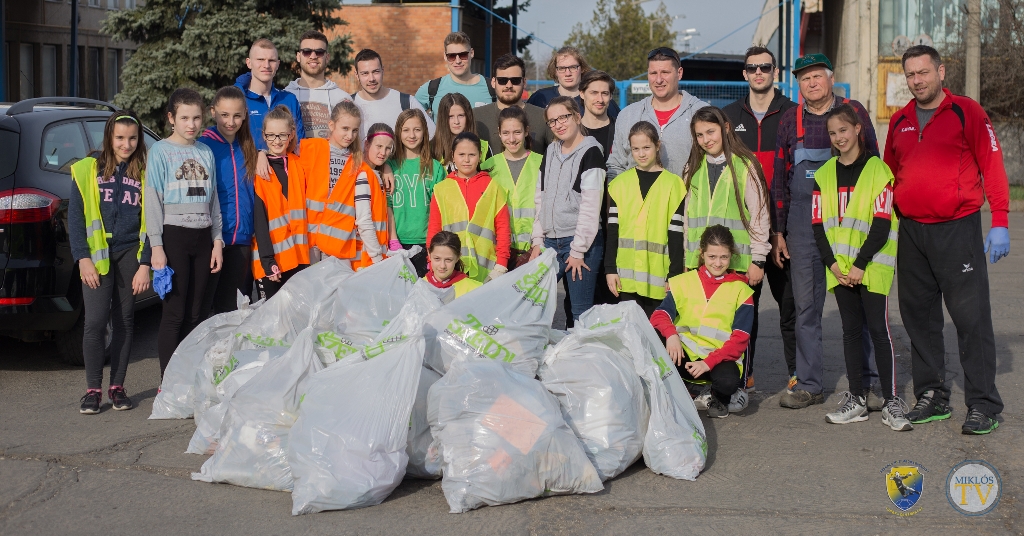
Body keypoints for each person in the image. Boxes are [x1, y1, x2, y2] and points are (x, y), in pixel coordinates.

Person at [884, 45, 1010, 435]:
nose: (917, 81)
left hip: (958, 229)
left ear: (940, 72)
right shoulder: (900, 120)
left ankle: (983, 405)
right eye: (910, 75)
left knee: (971, 320)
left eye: (923, 72)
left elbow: (992, 165)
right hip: (912, 232)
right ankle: (933, 396)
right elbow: (889, 173)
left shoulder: (966, 112)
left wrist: (1001, 220)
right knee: (919, 319)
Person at [773, 53, 881, 409]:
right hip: (803, 221)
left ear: (830, 78)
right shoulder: (790, 119)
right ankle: (809, 383)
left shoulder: (856, 112)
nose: (812, 84)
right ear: (798, 85)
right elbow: (780, 178)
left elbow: (875, 165)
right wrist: (779, 231)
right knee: (806, 306)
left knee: (859, 303)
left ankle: (868, 384)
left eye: (817, 76)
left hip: (850, 216)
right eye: (804, 79)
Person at [813, 104, 911, 431]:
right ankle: (856, 398)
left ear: (857, 129)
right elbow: (818, 225)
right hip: (839, 270)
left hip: (870, 267)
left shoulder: (877, 170)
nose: (839, 137)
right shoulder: (824, 174)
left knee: (879, 332)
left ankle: (892, 400)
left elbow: (882, 226)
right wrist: (834, 265)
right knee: (851, 331)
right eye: (832, 132)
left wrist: (859, 265)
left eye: (843, 130)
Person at [682, 106, 770, 408]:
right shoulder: (692, 169)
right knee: (705, 325)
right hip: (701, 264)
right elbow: (687, 221)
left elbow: (759, 216)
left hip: (739, 265)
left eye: (710, 131)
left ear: (726, 128)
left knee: (741, 328)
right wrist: (686, 262)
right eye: (700, 135)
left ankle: (740, 383)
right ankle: (707, 383)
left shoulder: (746, 165)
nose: (706, 139)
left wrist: (759, 259)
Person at [722, 45, 797, 392]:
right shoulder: (728, 117)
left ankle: (798, 374)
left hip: (783, 227)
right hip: (744, 229)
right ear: (744, 74)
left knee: (790, 308)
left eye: (765, 67)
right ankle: (743, 373)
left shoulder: (793, 114)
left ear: (775, 72)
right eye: (752, 68)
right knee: (744, 309)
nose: (758, 73)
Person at [70, 112, 151, 414]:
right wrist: (83, 259)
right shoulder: (87, 171)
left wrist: (145, 264)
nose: (126, 144)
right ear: (109, 138)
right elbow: (77, 220)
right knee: (93, 322)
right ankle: (93, 390)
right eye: (120, 138)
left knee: (124, 321)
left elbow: (153, 220)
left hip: (130, 252)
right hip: (96, 255)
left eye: (132, 138)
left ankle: (117, 387)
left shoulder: (145, 171)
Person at [146, 88, 224, 378]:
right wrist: (156, 246)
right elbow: (152, 201)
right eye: (184, 118)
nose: (191, 124)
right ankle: (168, 383)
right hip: (174, 236)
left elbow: (213, 199)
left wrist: (217, 241)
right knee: (174, 313)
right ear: (171, 118)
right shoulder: (160, 151)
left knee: (196, 314)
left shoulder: (205, 151)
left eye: (196, 118)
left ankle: (190, 379)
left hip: (203, 238)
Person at [649, 225, 754, 419]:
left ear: (731, 255)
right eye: (712, 257)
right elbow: (659, 315)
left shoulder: (741, 290)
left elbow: (740, 340)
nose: (717, 263)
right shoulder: (683, 281)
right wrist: (671, 335)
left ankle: (715, 395)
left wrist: (708, 363)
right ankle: (685, 390)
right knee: (652, 336)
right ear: (702, 254)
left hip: (716, 361)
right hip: (683, 355)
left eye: (724, 257)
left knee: (728, 383)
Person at [530, 97, 605, 322]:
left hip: (580, 243)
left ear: (577, 116)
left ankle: (580, 356)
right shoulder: (551, 151)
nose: (559, 124)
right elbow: (540, 198)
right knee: (536, 306)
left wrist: (577, 251)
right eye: (552, 121)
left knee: (579, 311)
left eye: (564, 117)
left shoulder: (591, 152)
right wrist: (537, 240)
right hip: (550, 242)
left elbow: (590, 208)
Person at [605, 121, 686, 317]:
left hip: (659, 278)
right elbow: (613, 232)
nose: (641, 154)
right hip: (626, 278)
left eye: (647, 147)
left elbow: (676, 235)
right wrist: (610, 269)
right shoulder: (619, 184)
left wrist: (674, 274)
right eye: (636, 149)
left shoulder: (674, 184)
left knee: (657, 335)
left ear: (657, 146)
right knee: (630, 337)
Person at [197, 87, 257, 317]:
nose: (230, 122)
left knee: (231, 306)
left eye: (236, 115)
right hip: (214, 238)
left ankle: (224, 352)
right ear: (213, 112)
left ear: (244, 115)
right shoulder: (204, 147)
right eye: (224, 115)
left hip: (242, 238)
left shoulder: (249, 147)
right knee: (205, 304)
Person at [607, 47, 707, 179]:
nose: (658, 80)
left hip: (686, 199)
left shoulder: (701, 112)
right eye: (653, 73)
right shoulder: (628, 115)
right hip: (635, 199)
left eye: (665, 72)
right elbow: (616, 166)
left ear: (679, 73)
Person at [428, 131, 511, 283]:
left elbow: (503, 228)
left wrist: (501, 265)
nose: (466, 160)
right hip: (449, 268)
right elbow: (434, 228)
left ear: (480, 155)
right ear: (453, 156)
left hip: (486, 270)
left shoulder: (493, 188)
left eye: (472, 155)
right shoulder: (441, 189)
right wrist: (431, 261)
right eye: (461, 154)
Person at [252, 106, 309, 300]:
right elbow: (259, 220)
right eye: (271, 136)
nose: (277, 141)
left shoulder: (300, 165)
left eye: (283, 135)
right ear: (264, 135)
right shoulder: (260, 171)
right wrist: (268, 261)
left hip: (301, 257)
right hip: (272, 260)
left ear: (292, 134)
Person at [387, 109, 446, 277]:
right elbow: (387, 205)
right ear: (398, 133)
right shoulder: (389, 167)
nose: (411, 135)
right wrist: (393, 240)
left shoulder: (435, 168)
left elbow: (439, 209)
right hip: (396, 243)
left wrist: (433, 243)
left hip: (426, 243)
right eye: (406, 130)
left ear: (425, 132)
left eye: (417, 129)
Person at [481, 106, 542, 268]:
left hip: (534, 250)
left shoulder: (541, 163)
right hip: (499, 252)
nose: (512, 139)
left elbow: (545, 208)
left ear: (526, 131)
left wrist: (538, 243)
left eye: (517, 132)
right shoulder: (488, 166)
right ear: (499, 133)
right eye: (506, 133)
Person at [310, 101, 367, 263]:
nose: (350, 136)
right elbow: (282, 154)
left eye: (355, 130)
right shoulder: (312, 148)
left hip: (339, 240)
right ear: (331, 125)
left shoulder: (357, 162)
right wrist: (262, 154)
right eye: (345, 129)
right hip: (312, 238)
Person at [474, 54, 554, 159]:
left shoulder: (543, 117)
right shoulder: (476, 116)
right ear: (493, 82)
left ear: (524, 82)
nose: (509, 85)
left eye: (515, 80)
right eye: (502, 80)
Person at [234, 38, 305, 149]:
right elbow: (230, 144)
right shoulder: (237, 100)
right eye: (260, 59)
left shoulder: (289, 100)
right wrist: (259, 155)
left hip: (285, 166)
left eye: (271, 60)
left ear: (277, 64)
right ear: (249, 63)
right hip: (248, 166)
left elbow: (299, 145)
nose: (266, 65)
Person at [352, 49, 436, 139]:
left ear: (383, 70)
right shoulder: (349, 104)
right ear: (357, 75)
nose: (371, 78)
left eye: (376, 71)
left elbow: (433, 137)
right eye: (365, 73)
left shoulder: (406, 102)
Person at [285, 30, 353, 139]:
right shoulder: (286, 96)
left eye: (319, 52)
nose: (313, 56)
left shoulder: (342, 98)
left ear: (327, 57)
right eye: (307, 51)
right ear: (298, 56)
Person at [527, 46, 621, 120]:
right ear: (555, 71)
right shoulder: (539, 98)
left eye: (573, 67)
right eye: (562, 68)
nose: (568, 73)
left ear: (582, 68)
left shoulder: (599, 100)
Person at [415, 31, 495, 117]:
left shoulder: (492, 88)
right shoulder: (431, 89)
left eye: (463, 55)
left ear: (471, 53)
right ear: (445, 57)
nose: (458, 61)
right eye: (452, 56)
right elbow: (408, 121)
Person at [352, 123, 395, 271]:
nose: (383, 152)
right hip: (365, 259)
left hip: (372, 256)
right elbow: (363, 221)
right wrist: (378, 258)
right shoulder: (364, 175)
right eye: (379, 146)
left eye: (388, 148)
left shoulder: (375, 174)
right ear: (367, 144)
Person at [432, 93, 489, 171]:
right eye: (450, 116)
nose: (456, 121)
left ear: (468, 116)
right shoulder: (432, 148)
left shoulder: (484, 147)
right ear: (443, 119)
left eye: (461, 115)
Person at [424, 230, 482, 302]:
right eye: (437, 259)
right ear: (429, 255)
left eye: (448, 260)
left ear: (457, 257)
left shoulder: (474, 289)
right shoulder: (421, 287)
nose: (442, 266)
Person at [579, 69, 617, 161]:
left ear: (610, 96)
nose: (600, 99)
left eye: (605, 93)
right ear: (582, 94)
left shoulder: (621, 129)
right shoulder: (572, 132)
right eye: (594, 93)